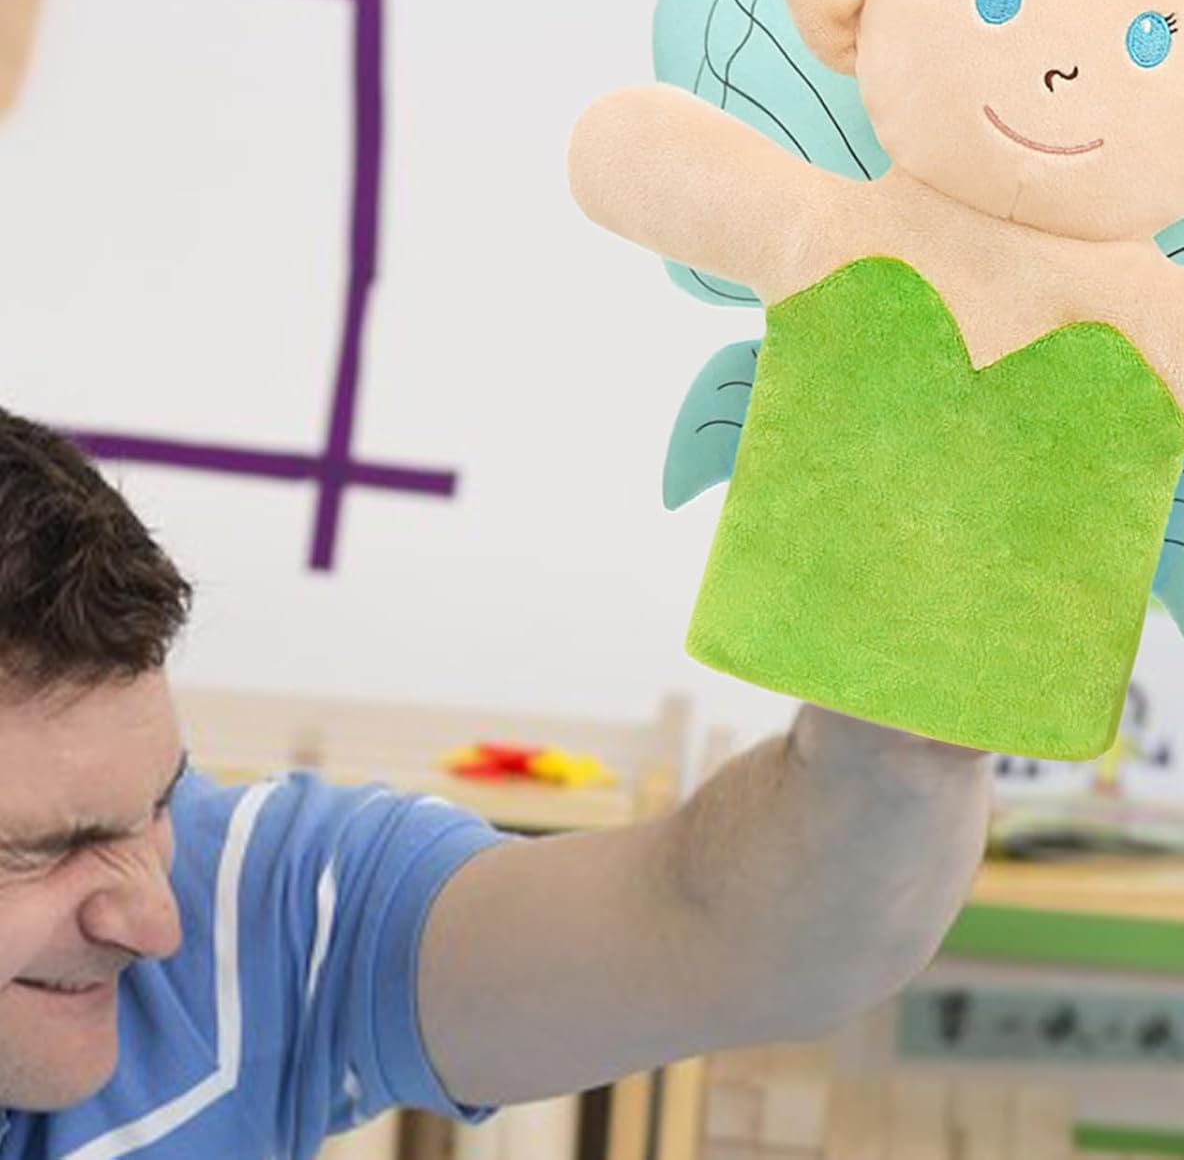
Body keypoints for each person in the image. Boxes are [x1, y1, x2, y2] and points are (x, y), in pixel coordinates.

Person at [0, 410, 990, 1157]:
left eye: (159, 803)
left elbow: (744, 940)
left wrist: (920, 687)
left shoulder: (251, 906)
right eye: (44, 853)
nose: (155, 924)